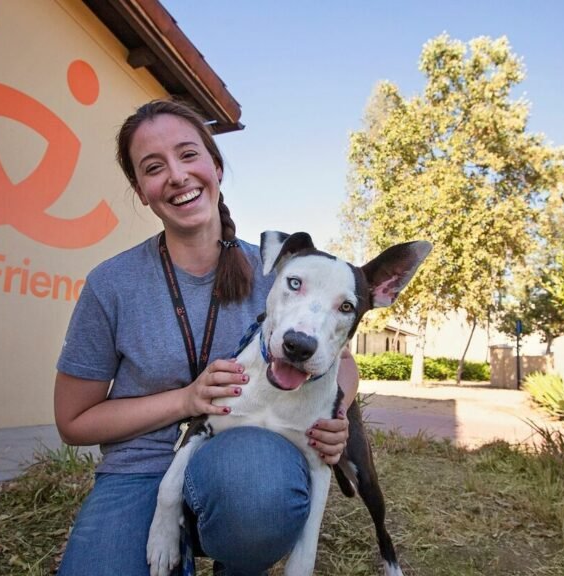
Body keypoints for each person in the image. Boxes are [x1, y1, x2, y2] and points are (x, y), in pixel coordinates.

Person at [54, 99, 359, 576]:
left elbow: (341, 361)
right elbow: (74, 421)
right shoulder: (111, 284)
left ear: (216, 166)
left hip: (245, 459)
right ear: (141, 191)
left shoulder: (284, 274)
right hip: (138, 469)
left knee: (255, 489)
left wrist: (333, 415)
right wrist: (187, 400)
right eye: (154, 167)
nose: (176, 175)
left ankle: (235, 551)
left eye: (188, 154)